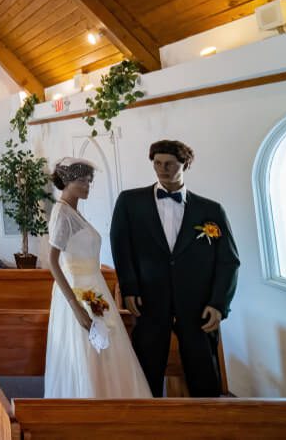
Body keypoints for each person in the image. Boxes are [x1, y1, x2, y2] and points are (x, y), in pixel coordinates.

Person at [110, 140, 240, 397]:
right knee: (147, 368)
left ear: (185, 165)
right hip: (148, 299)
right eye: (157, 163)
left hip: (197, 304)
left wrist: (218, 303)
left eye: (169, 164)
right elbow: (121, 248)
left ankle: (207, 424)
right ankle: (150, 424)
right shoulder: (129, 202)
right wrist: (130, 287)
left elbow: (228, 261)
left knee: (203, 370)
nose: (162, 169)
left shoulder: (211, 210)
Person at [44, 158, 152, 398]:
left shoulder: (73, 212)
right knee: (88, 351)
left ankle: (108, 398)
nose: (86, 186)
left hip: (94, 285)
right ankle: (91, 401)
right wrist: (75, 305)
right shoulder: (62, 213)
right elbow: (52, 261)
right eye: (81, 181)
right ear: (66, 181)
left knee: (103, 348)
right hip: (78, 290)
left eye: (88, 181)